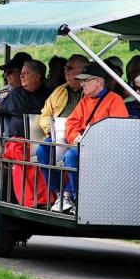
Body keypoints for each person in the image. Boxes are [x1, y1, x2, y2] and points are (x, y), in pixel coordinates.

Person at [58, 63, 129, 213]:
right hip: (85, 146)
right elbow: (72, 122)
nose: (81, 83)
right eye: (81, 80)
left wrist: (92, 142)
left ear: (99, 81)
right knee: (54, 151)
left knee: (71, 156)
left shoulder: (115, 100)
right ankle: (69, 196)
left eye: (85, 80)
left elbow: (118, 130)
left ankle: (75, 199)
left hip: (104, 150)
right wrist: (75, 137)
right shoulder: (85, 100)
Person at [0, 60, 51, 206]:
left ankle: (46, 200)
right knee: (20, 156)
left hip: (41, 139)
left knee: (44, 156)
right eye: (21, 73)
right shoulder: (15, 94)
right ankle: (29, 202)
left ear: (38, 76)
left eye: (26, 74)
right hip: (18, 141)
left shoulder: (49, 95)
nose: (21, 76)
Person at [36, 54, 88, 197]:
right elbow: (44, 115)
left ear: (84, 70)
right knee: (42, 150)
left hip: (80, 137)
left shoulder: (90, 92)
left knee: (74, 155)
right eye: (65, 68)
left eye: (70, 68)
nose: (66, 71)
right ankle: (59, 190)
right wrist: (52, 130)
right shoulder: (59, 90)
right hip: (57, 134)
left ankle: (70, 193)